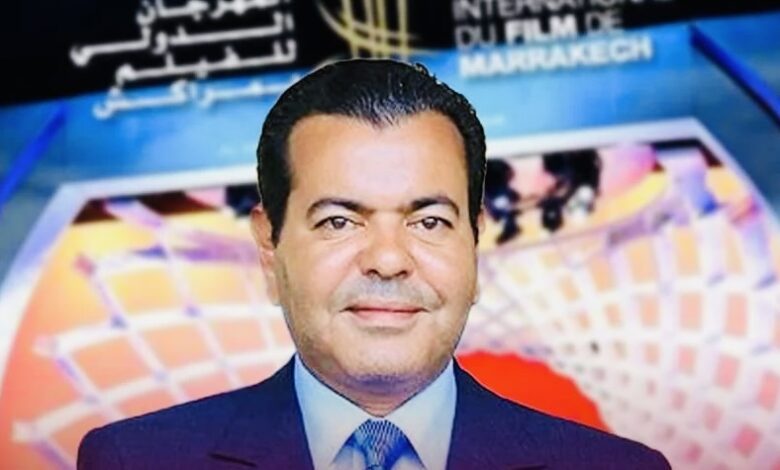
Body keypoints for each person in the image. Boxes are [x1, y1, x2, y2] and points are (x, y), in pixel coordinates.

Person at [78, 59, 670, 470]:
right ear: (269, 247)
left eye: (428, 221)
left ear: (474, 242)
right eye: (340, 221)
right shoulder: (136, 462)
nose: (388, 260)